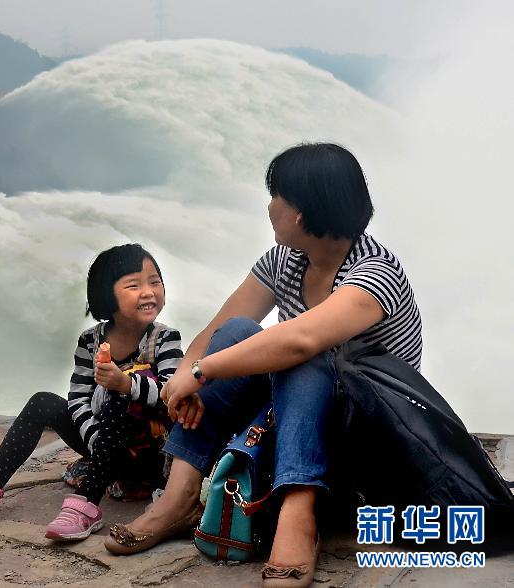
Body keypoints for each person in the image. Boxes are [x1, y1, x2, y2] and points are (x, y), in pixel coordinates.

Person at [104, 143, 422, 588]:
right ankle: (178, 500)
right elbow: (217, 331)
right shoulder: (285, 261)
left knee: (304, 358)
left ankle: (299, 515)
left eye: (277, 197)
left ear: (303, 213)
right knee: (235, 333)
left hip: (365, 438)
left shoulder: (375, 272)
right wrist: (184, 379)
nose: (269, 207)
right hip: (297, 420)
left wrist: (203, 371)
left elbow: (300, 340)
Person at [0, 243, 184, 542]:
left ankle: (86, 505)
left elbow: (171, 396)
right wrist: (96, 440)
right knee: (44, 402)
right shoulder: (91, 341)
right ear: (107, 294)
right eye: (134, 285)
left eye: (155, 282)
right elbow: (78, 397)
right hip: (104, 445)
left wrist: (125, 384)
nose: (148, 292)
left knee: (122, 393)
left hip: (150, 454)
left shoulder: (164, 339)